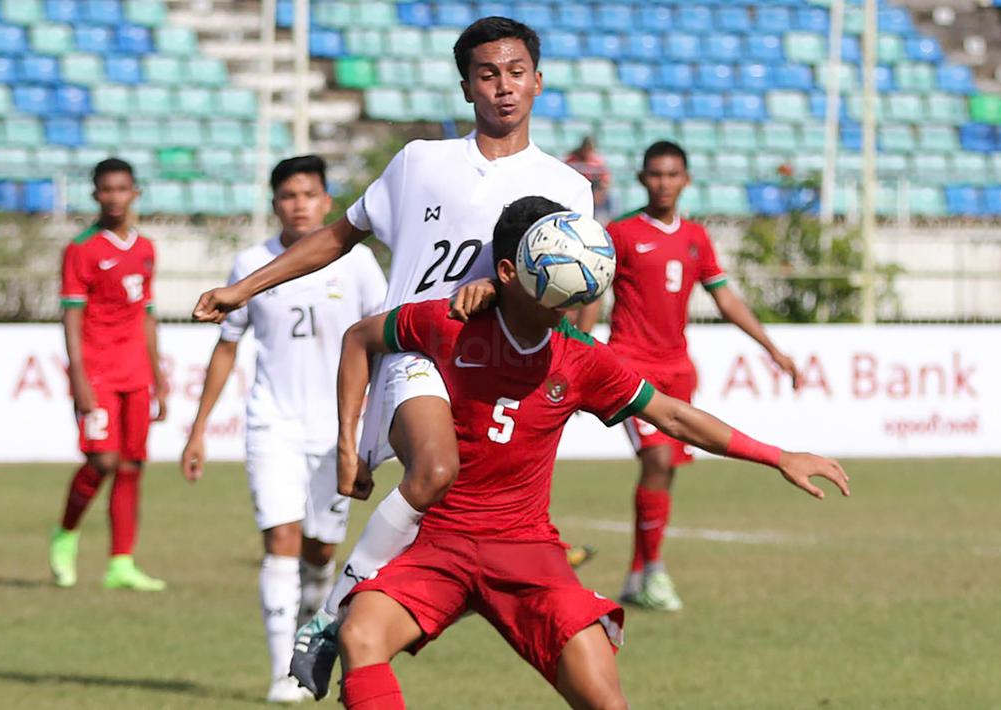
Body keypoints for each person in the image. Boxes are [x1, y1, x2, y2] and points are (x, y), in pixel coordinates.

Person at [190, 16, 595, 688]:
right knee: (435, 470)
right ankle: (327, 619)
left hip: (500, 377)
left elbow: (564, 294)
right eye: (487, 74)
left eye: (515, 72)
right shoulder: (419, 163)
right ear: (466, 85)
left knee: (475, 541)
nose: (503, 87)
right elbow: (338, 235)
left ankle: (386, 625)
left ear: (538, 82)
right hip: (418, 355)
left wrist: (503, 296)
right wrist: (243, 288)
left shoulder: (566, 189)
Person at [331, 197, 850, 709]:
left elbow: (672, 415)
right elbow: (360, 338)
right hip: (441, 543)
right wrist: (348, 448)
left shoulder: (583, 360)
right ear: (511, 272)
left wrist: (777, 456)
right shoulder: (451, 323)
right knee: (360, 638)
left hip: (525, 549)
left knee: (605, 701)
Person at [180, 156, 387, 703]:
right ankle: (281, 674)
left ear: (327, 201)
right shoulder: (251, 263)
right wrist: (198, 429)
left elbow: (385, 345)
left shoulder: (359, 264)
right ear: (275, 203)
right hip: (273, 424)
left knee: (321, 552)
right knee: (281, 541)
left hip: (339, 432)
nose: (299, 203)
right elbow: (227, 348)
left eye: (309, 194)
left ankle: (306, 626)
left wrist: (380, 427)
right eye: (288, 195)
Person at [575, 141, 802, 612]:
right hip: (630, 368)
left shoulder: (696, 237)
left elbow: (726, 299)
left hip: (678, 370)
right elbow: (594, 293)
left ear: (686, 181)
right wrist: (579, 347)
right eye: (655, 175)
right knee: (657, 461)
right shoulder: (619, 233)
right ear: (642, 179)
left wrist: (773, 349)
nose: (664, 183)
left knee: (666, 471)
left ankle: (641, 575)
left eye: (672, 174)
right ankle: (653, 573)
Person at [50, 158, 167, 592]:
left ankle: (121, 562)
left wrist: (159, 377)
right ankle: (65, 534)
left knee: (132, 465)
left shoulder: (146, 249)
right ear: (96, 195)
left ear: (134, 192)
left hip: (136, 372)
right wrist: (78, 377)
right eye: (107, 190)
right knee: (102, 460)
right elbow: (71, 319)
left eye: (123, 189)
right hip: (97, 373)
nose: (115, 197)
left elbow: (147, 317)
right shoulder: (82, 249)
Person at [564, 136, 612, 221]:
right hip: (575, 191)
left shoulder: (597, 161)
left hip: (594, 192)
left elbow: (605, 180)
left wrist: (600, 192)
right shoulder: (572, 159)